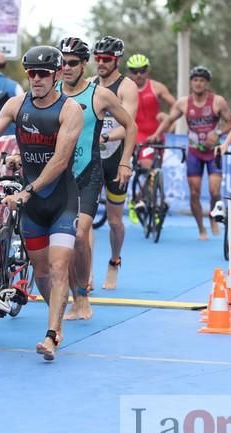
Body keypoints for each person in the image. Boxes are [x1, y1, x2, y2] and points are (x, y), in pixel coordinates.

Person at [0, 46, 83, 361]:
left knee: (59, 264)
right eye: (31, 73)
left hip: (61, 199)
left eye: (43, 74)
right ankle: (57, 318)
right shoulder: (15, 104)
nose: (36, 79)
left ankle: (51, 335)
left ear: (57, 75)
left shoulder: (70, 110)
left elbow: (61, 160)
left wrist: (28, 191)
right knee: (41, 271)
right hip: (33, 203)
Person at [56, 37, 135, 320]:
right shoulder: (50, 91)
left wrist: (125, 161)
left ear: (82, 64)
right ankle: (71, 291)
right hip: (59, 173)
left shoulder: (104, 93)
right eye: (62, 62)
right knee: (63, 239)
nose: (66, 67)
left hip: (92, 168)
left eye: (73, 63)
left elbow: (131, 124)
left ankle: (87, 290)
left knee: (88, 230)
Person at [149, 66, 231, 240]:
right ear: (191, 82)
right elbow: (169, 120)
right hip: (194, 152)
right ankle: (201, 229)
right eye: (195, 80)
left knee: (214, 191)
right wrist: (157, 134)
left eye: (202, 80)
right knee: (194, 192)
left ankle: (212, 218)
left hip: (213, 152)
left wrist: (217, 134)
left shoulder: (217, 101)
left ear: (207, 83)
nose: (198, 83)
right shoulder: (183, 103)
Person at [92, 36, 139, 289]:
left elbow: (129, 125)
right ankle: (84, 274)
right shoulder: (89, 84)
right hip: (93, 157)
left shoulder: (126, 87)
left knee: (114, 221)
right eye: (97, 58)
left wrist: (106, 136)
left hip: (116, 156)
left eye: (106, 59)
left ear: (117, 60)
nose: (100, 62)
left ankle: (114, 260)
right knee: (83, 219)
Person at [125, 53, 176, 222]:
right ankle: (138, 200)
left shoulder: (157, 87)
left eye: (142, 71)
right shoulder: (125, 88)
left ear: (148, 71)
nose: (138, 75)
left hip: (157, 134)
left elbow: (176, 106)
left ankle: (141, 199)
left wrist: (167, 118)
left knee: (155, 173)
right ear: (129, 73)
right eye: (134, 71)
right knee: (147, 167)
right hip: (139, 135)